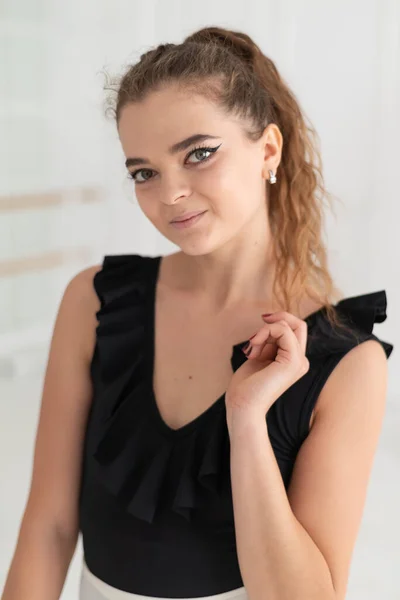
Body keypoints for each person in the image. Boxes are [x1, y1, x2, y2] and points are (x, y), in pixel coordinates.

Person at [2, 26, 394, 600]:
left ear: (268, 150)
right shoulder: (94, 301)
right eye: (145, 172)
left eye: (199, 154)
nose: (170, 194)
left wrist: (247, 423)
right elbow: (48, 528)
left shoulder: (345, 362)